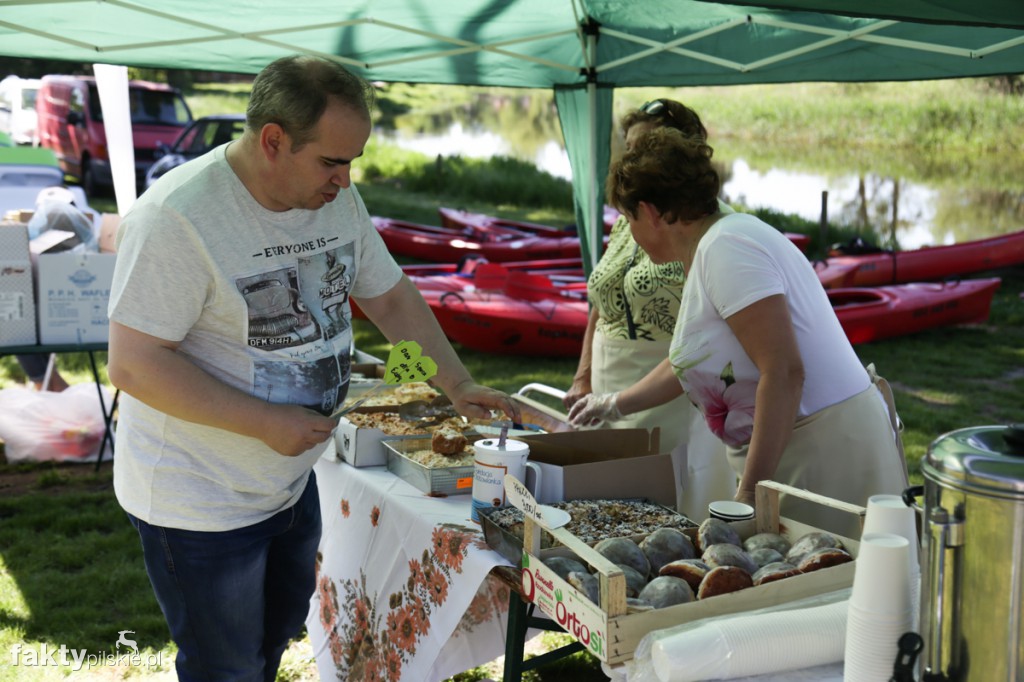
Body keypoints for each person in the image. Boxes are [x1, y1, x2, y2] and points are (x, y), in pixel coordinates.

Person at [107, 55, 518, 681]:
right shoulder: (176, 217)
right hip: (200, 500)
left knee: (270, 645)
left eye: (352, 161)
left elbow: (390, 296)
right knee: (226, 668)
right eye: (331, 162)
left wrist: (456, 384)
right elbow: (134, 365)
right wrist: (265, 421)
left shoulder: (335, 202)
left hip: (291, 481)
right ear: (273, 139)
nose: (345, 181)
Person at [570, 126, 908, 538]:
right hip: (796, 448)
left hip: (825, 453)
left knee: (829, 587)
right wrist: (613, 404)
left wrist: (749, 490)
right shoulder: (709, 248)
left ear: (652, 212)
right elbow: (687, 363)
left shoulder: (728, 248)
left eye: (628, 218)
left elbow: (783, 371)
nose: (631, 233)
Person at [563, 99, 735, 520]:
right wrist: (584, 376)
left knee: (662, 505)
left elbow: (711, 337)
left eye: (646, 150)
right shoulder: (630, 217)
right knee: (604, 505)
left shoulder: (711, 229)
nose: (634, 161)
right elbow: (601, 300)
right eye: (630, 149)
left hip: (668, 389)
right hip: (607, 381)